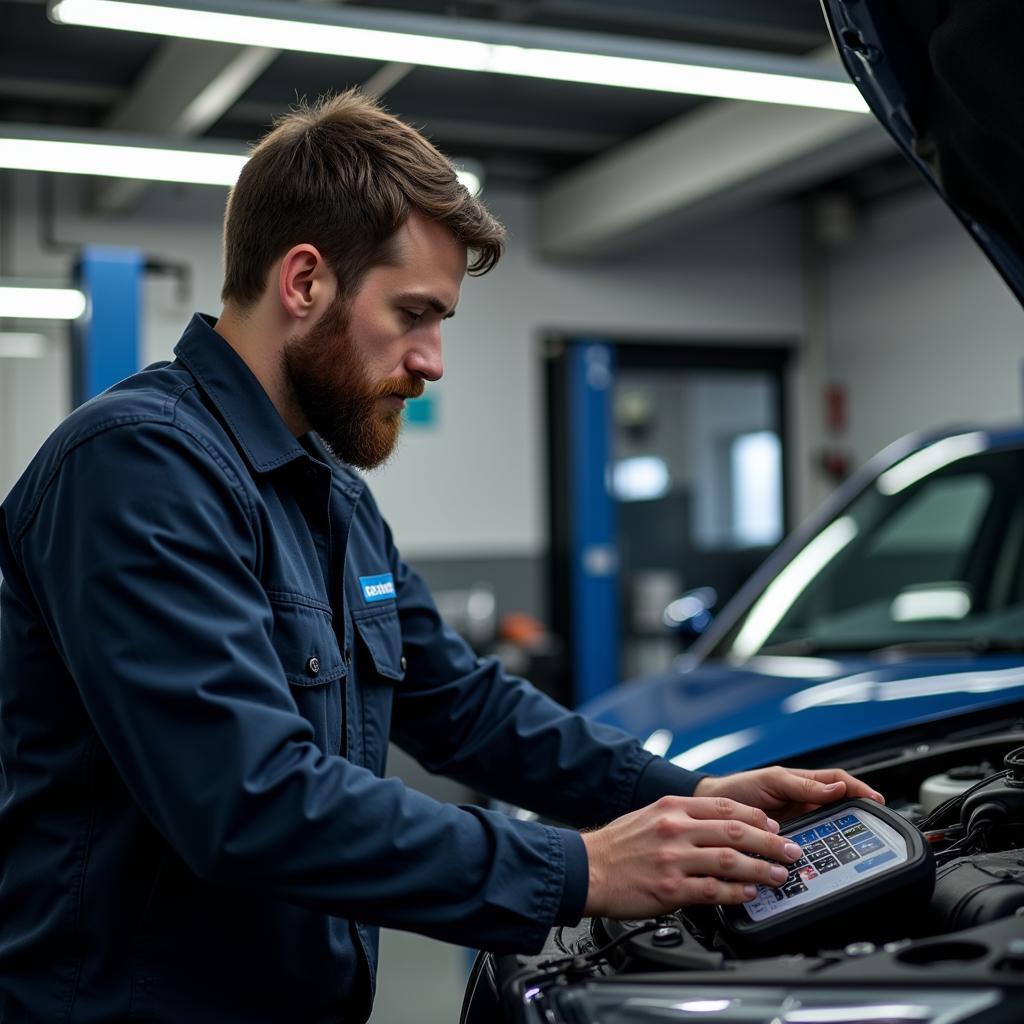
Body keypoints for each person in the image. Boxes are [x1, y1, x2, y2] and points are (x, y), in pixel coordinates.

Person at [0, 90, 882, 1023]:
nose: (432, 361)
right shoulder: (136, 466)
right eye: (414, 313)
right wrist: (581, 867)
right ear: (304, 282)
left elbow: (461, 706)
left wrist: (689, 798)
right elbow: (247, 800)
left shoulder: (331, 496)